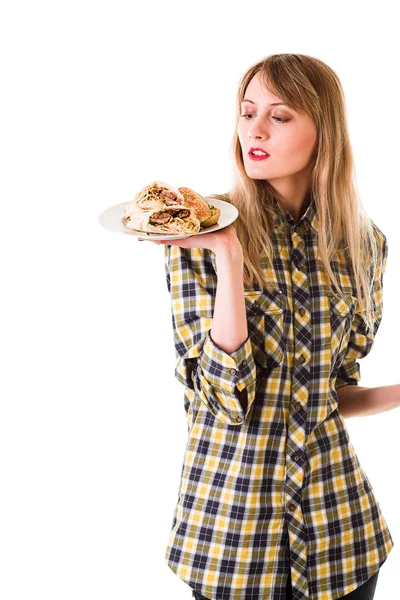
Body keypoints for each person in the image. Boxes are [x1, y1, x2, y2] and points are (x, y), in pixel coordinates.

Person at [138, 53, 397, 600]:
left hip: (341, 536)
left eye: (279, 117)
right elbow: (225, 400)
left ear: (323, 131)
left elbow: (333, 390)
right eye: (247, 111)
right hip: (233, 538)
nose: (253, 129)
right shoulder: (202, 230)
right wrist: (229, 257)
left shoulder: (364, 244)